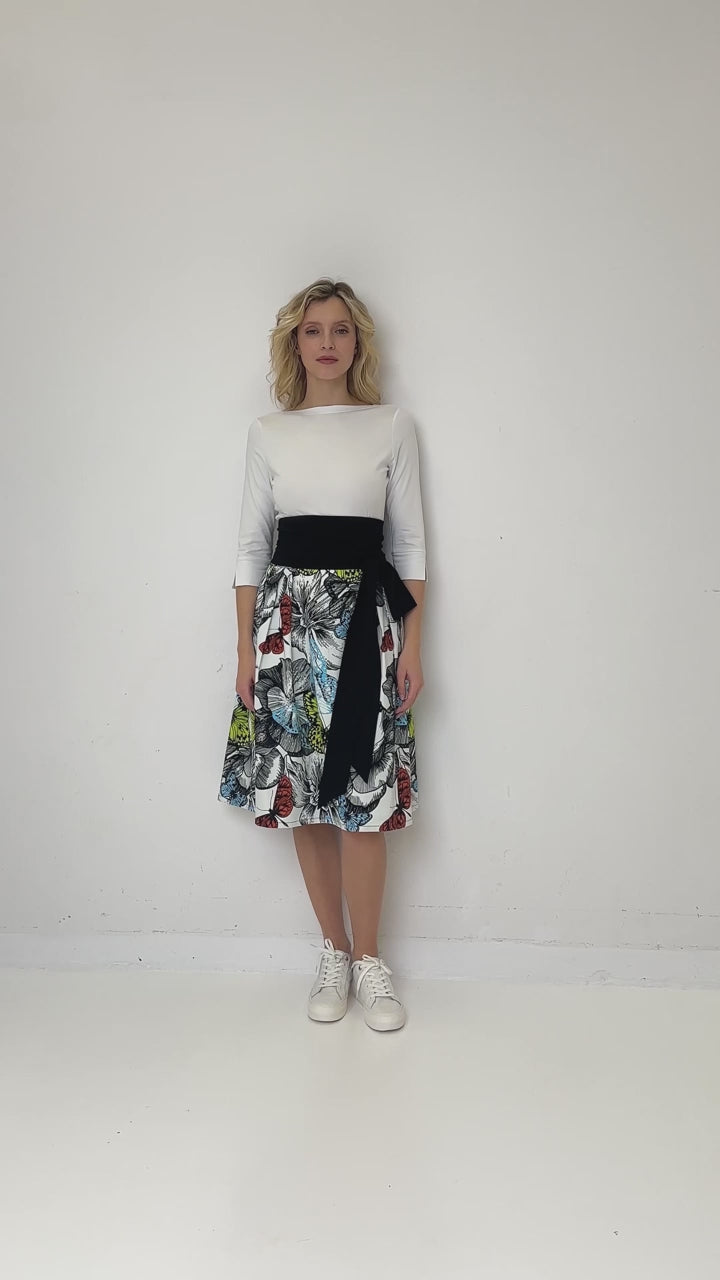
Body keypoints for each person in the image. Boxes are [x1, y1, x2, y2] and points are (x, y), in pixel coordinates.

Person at [218, 277, 427, 1032]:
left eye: (341, 329)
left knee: (364, 796)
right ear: (295, 343)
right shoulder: (268, 432)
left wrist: (413, 645)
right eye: (313, 330)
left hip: (367, 625)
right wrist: (246, 649)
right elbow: (250, 546)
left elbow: (409, 543)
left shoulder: (392, 425)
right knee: (303, 793)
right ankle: (333, 950)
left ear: (357, 341)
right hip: (285, 626)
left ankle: (370, 960)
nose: (328, 343)